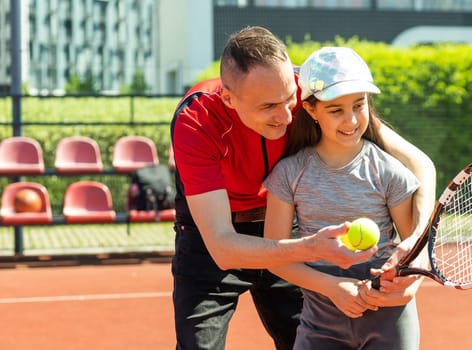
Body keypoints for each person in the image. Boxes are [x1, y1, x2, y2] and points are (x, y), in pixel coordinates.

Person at [170, 26, 436, 350]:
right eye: (268, 107)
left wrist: (416, 240)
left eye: (289, 99)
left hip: (282, 222)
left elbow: (418, 163)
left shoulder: (313, 90)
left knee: (303, 338)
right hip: (219, 233)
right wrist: (311, 248)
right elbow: (222, 247)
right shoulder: (195, 121)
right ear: (228, 98)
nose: (285, 116)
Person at [263, 46, 425, 350]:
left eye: (359, 105)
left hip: (389, 321)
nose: (351, 120)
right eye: (336, 110)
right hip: (320, 325)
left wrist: (400, 284)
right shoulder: (289, 174)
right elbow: (277, 257)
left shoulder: (389, 171)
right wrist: (334, 287)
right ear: (310, 109)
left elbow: (411, 249)